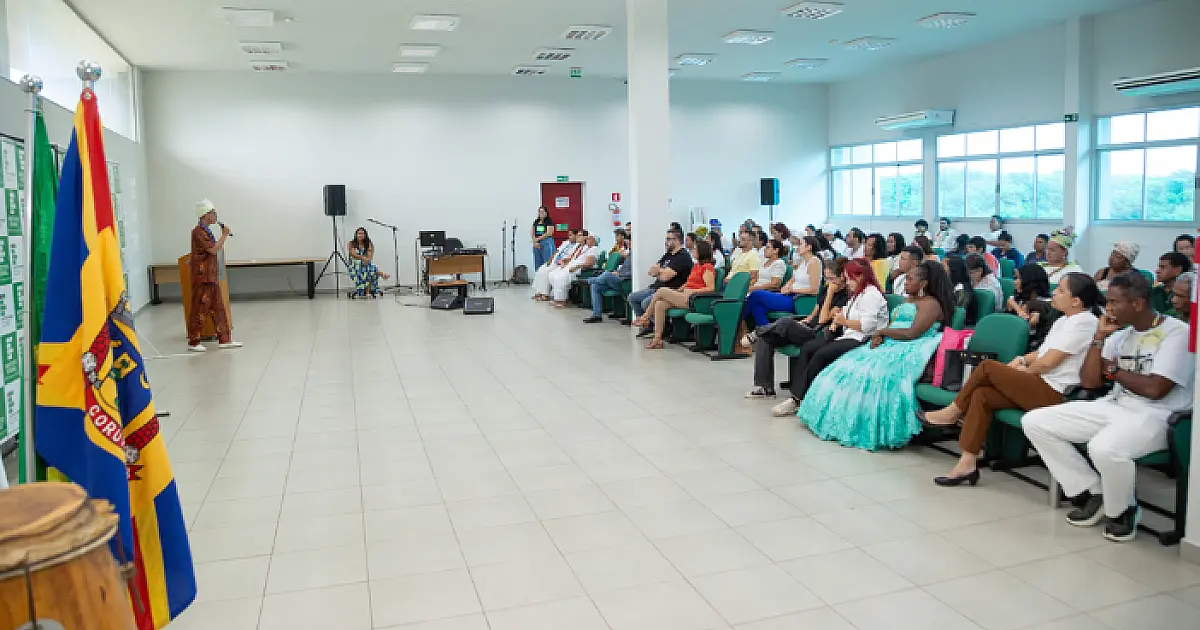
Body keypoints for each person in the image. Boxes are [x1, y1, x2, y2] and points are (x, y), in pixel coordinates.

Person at [1022, 272, 1194, 542]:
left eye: (1114, 302)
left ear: (1137, 304)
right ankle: (1093, 492)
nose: (1108, 308)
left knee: (1104, 447)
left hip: (1160, 414)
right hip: (1116, 405)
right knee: (1035, 422)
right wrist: (1099, 339)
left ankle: (1123, 510)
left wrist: (1112, 370)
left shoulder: (1177, 333)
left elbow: (1155, 388)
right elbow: (1090, 381)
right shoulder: (1119, 336)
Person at [922, 273, 1102, 485]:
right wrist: (1021, 361)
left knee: (988, 367)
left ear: (1076, 300)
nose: (1054, 292)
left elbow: (1048, 363)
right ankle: (967, 462)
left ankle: (952, 412)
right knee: (982, 395)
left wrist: (1020, 373)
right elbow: (1040, 354)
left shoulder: (1085, 322)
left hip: (1052, 392)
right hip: (1038, 383)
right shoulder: (1065, 319)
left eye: (1061, 290)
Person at [796, 261, 957, 450]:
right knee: (845, 366)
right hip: (893, 341)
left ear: (924, 284)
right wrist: (882, 335)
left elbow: (912, 332)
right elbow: (895, 326)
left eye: (910, 279)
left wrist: (881, 333)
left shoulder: (931, 304)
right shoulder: (910, 300)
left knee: (874, 374)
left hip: (912, 346)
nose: (905, 282)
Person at [767, 259, 889, 416]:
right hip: (850, 334)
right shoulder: (858, 294)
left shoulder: (871, 295)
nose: (848, 283)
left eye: (849, 278)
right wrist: (838, 320)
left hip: (863, 339)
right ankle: (799, 396)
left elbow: (867, 325)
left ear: (860, 277)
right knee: (808, 349)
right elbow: (845, 312)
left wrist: (843, 321)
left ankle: (799, 399)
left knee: (821, 354)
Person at [745, 258, 849, 399]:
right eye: (826, 278)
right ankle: (765, 387)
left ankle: (757, 332)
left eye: (832, 279)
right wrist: (805, 321)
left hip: (820, 333)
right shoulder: (825, 289)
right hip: (809, 327)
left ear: (842, 277)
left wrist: (830, 294)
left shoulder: (844, 296)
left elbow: (824, 319)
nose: (828, 282)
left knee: (786, 322)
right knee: (767, 338)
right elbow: (814, 313)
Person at [636, 241, 716, 349]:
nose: (692, 251)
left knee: (662, 290)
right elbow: (688, 283)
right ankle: (657, 338)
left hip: (694, 299)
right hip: (685, 296)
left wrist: (694, 291)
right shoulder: (696, 265)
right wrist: (679, 291)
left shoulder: (707, 267)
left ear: (701, 252)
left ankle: (646, 316)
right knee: (660, 304)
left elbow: (711, 288)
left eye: (694, 249)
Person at [188, 199, 241, 352]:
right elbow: (212, 250)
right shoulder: (198, 232)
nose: (215, 215)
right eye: (212, 212)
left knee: (219, 308)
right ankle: (194, 341)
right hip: (202, 277)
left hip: (211, 276)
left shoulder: (206, 231)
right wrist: (224, 236)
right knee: (199, 308)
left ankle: (225, 339)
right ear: (205, 215)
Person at [626, 229, 693, 334]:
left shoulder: (682, 256)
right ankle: (647, 324)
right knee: (632, 297)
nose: (666, 242)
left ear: (677, 240)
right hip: (655, 288)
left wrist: (660, 272)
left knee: (645, 303)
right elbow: (651, 271)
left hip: (670, 290)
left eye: (668, 239)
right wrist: (662, 272)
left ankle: (658, 326)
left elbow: (666, 277)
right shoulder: (668, 255)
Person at [743, 238, 821, 328]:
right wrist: (786, 287)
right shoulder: (803, 262)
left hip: (799, 299)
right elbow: (792, 280)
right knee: (758, 308)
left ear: (809, 247)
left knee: (756, 294)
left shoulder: (814, 262)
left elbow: (814, 290)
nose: (797, 247)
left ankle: (738, 322)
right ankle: (769, 336)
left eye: (800, 244)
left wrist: (791, 289)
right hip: (790, 295)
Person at [583, 236, 631, 324]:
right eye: (627, 242)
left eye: (629, 242)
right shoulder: (627, 254)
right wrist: (618, 271)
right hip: (619, 276)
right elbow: (622, 267)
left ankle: (589, 281)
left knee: (606, 274)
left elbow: (633, 273)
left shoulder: (635, 255)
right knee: (595, 286)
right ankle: (596, 315)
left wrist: (619, 274)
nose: (628, 243)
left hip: (626, 281)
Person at [1007, 263, 1055, 348]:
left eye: (1019, 278)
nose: (1015, 282)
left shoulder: (1047, 305)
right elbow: (1010, 300)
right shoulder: (1020, 298)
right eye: (1015, 278)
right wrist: (1019, 310)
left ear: (1030, 282)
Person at [548, 232, 600, 307]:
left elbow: (589, 264)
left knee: (561, 278)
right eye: (587, 239)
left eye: (589, 239)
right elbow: (574, 258)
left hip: (581, 269)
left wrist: (575, 267)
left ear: (594, 241)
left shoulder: (594, 249)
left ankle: (562, 300)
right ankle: (557, 298)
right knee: (553, 275)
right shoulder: (585, 248)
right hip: (573, 266)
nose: (587, 240)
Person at [532, 230, 581, 300]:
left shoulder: (577, 245)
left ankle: (545, 294)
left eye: (571, 235)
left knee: (546, 272)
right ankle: (539, 292)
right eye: (569, 235)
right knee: (541, 270)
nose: (569, 237)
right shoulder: (566, 243)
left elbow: (572, 257)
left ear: (576, 236)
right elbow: (557, 251)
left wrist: (563, 262)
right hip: (555, 261)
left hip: (561, 264)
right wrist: (550, 260)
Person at [348, 227, 391, 298]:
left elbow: (369, 255)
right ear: (356, 235)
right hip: (354, 266)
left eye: (362, 233)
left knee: (367, 269)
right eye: (359, 233)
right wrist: (362, 258)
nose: (360, 235)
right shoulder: (351, 243)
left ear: (365, 235)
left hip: (365, 264)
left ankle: (367, 291)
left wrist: (367, 260)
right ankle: (381, 274)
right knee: (369, 269)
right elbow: (353, 254)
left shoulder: (369, 244)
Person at [944, 253, 979, 326]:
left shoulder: (963, 292)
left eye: (943, 266)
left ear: (953, 270)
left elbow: (955, 316)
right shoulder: (948, 285)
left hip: (961, 328)